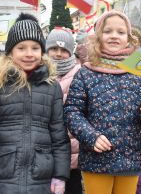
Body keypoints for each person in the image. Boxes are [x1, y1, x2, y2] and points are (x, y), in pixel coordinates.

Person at [64, 10, 141, 194]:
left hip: (130, 156)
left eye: (120, 32)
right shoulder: (85, 73)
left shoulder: (140, 72)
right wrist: (91, 136)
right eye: (108, 31)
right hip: (97, 158)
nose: (114, 36)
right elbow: (72, 112)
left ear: (129, 38)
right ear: (98, 36)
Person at [0, 13, 71, 194]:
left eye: (35, 48)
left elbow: (59, 136)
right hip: (2, 174)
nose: (29, 54)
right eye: (21, 48)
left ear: (42, 51)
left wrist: (60, 175)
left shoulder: (52, 86)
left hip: (40, 176)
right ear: (10, 51)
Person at [46, 28, 82, 194]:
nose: (58, 54)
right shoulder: (38, 73)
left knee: (72, 186)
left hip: (72, 147)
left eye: (63, 50)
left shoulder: (80, 74)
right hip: (45, 146)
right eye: (54, 49)